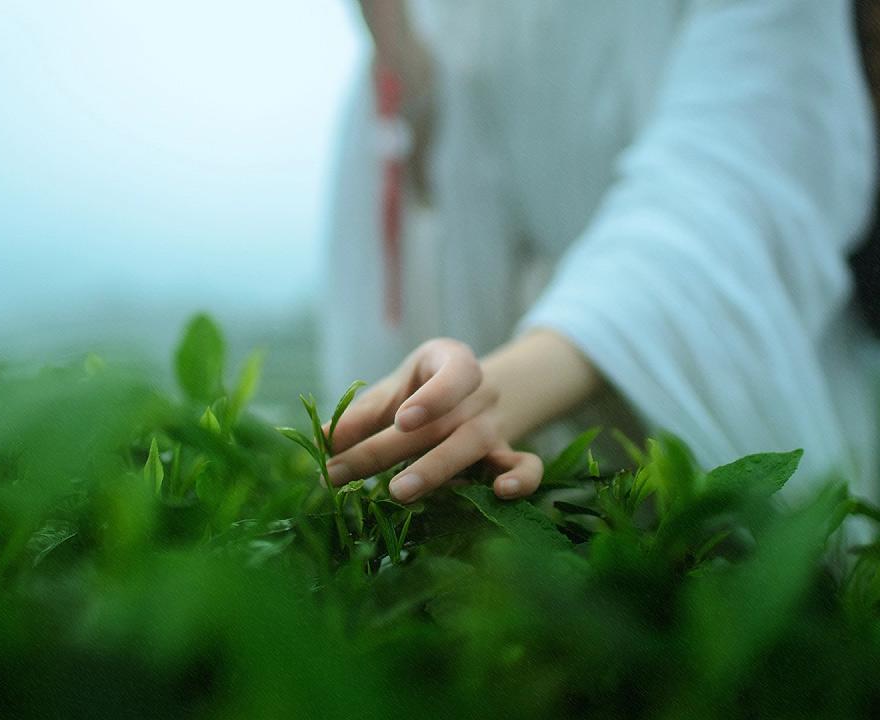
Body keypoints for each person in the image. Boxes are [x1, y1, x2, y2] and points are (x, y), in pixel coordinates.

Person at [321, 0, 879, 505]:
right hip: (515, 488)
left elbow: (738, 180)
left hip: (691, 445)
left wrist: (493, 390)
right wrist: (405, 59)